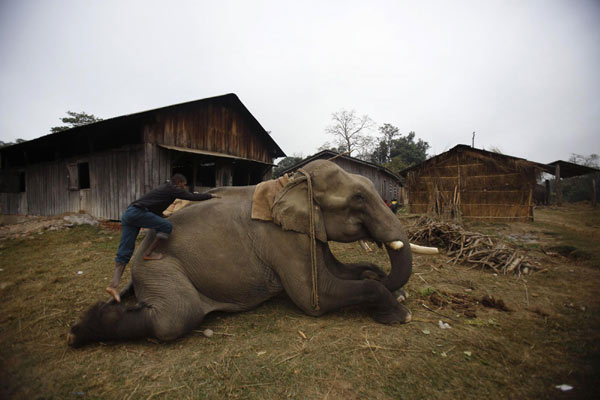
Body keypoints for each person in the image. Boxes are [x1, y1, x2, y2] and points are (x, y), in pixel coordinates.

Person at [106, 173, 218, 302]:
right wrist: (210, 196)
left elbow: (155, 206)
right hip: (137, 213)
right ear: (180, 182)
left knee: (125, 251)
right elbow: (190, 196)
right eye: (184, 185)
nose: (184, 187)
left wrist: (162, 216)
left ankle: (113, 285)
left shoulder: (165, 187)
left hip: (129, 213)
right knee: (166, 227)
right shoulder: (172, 188)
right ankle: (149, 252)